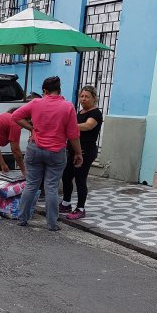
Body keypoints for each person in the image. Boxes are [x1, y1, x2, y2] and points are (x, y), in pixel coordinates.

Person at [12, 76, 83, 231]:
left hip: (35, 148)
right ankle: (52, 223)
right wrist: (78, 153)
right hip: (56, 152)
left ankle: (22, 218)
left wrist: (31, 128)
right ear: (59, 90)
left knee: (31, 184)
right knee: (51, 187)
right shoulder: (67, 107)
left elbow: (15, 116)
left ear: (44, 90)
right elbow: (73, 134)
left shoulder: (36, 102)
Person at [60, 85, 103, 220]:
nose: (83, 99)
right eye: (81, 96)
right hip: (73, 151)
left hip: (86, 151)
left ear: (94, 98)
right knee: (66, 177)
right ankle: (66, 203)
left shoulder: (95, 113)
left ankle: (80, 208)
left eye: (87, 97)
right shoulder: (80, 112)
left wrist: (69, 127)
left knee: (80, 179)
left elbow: (88, 126)